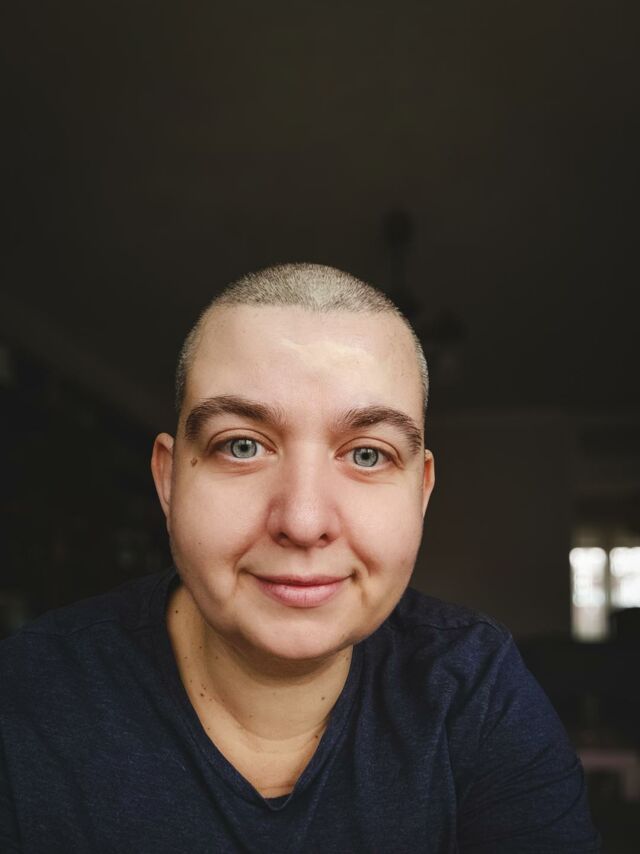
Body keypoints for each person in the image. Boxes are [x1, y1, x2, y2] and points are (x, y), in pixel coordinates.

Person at [0, 263, 600, 853]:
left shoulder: (473, 687)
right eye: (242, 445)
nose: (304, 522)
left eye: (367, 455)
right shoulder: (26, 698)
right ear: (169, 480)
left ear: (421, 493)